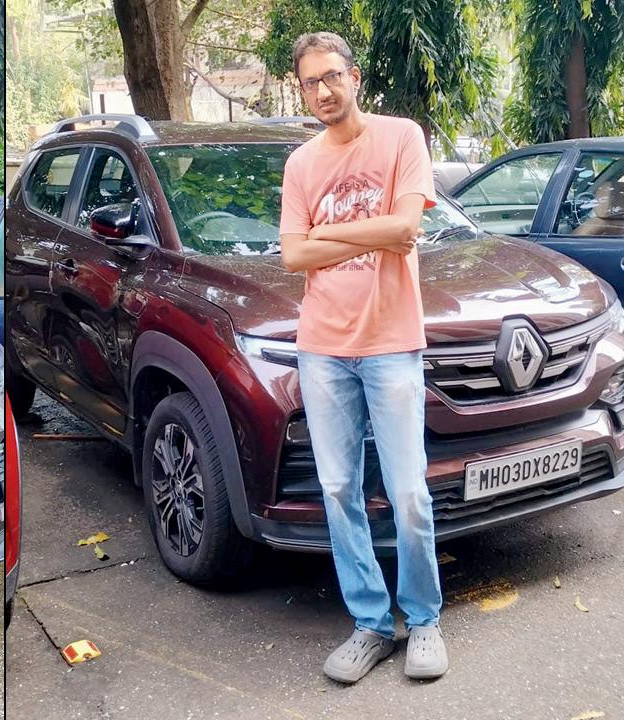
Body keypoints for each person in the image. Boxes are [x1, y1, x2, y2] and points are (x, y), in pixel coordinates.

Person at [278, 31, 448, 684]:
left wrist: (328, 233)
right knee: (340, 488)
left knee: (407, 491)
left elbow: (406, 228)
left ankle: (424, 619)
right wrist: (362, 234)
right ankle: (372, 624)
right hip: (322, 348)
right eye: (309, 83)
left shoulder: (401, 138)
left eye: (331, 77)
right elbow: (293, 256)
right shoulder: (301, 164)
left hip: (390, 344)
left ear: (355, 77)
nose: (322, 91)